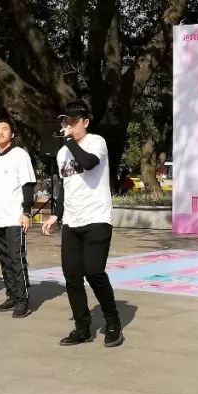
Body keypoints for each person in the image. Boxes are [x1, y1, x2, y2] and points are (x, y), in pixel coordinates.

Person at [42, 100, 124, 348]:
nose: (69, 126)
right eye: (66, 122)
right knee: (72, 276)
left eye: (74, 122)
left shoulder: (96, 142)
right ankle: (82, 328)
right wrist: (57, 214)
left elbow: (88, 163)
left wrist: (69, 141)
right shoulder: (62, 154)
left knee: (94, 271)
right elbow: (65, 187)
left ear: (85, 122)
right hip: (72, 221)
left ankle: (113, 323)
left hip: (97, 218)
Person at [0, 117, 37, 318]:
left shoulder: (20, 155)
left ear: (12, 134)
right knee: (4, 260)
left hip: (14, 217)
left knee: (16, 259)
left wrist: (26, 212)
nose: (0, 132)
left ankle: (23, 301)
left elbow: (27, 184)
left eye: (5, 128)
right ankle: (12, 296)